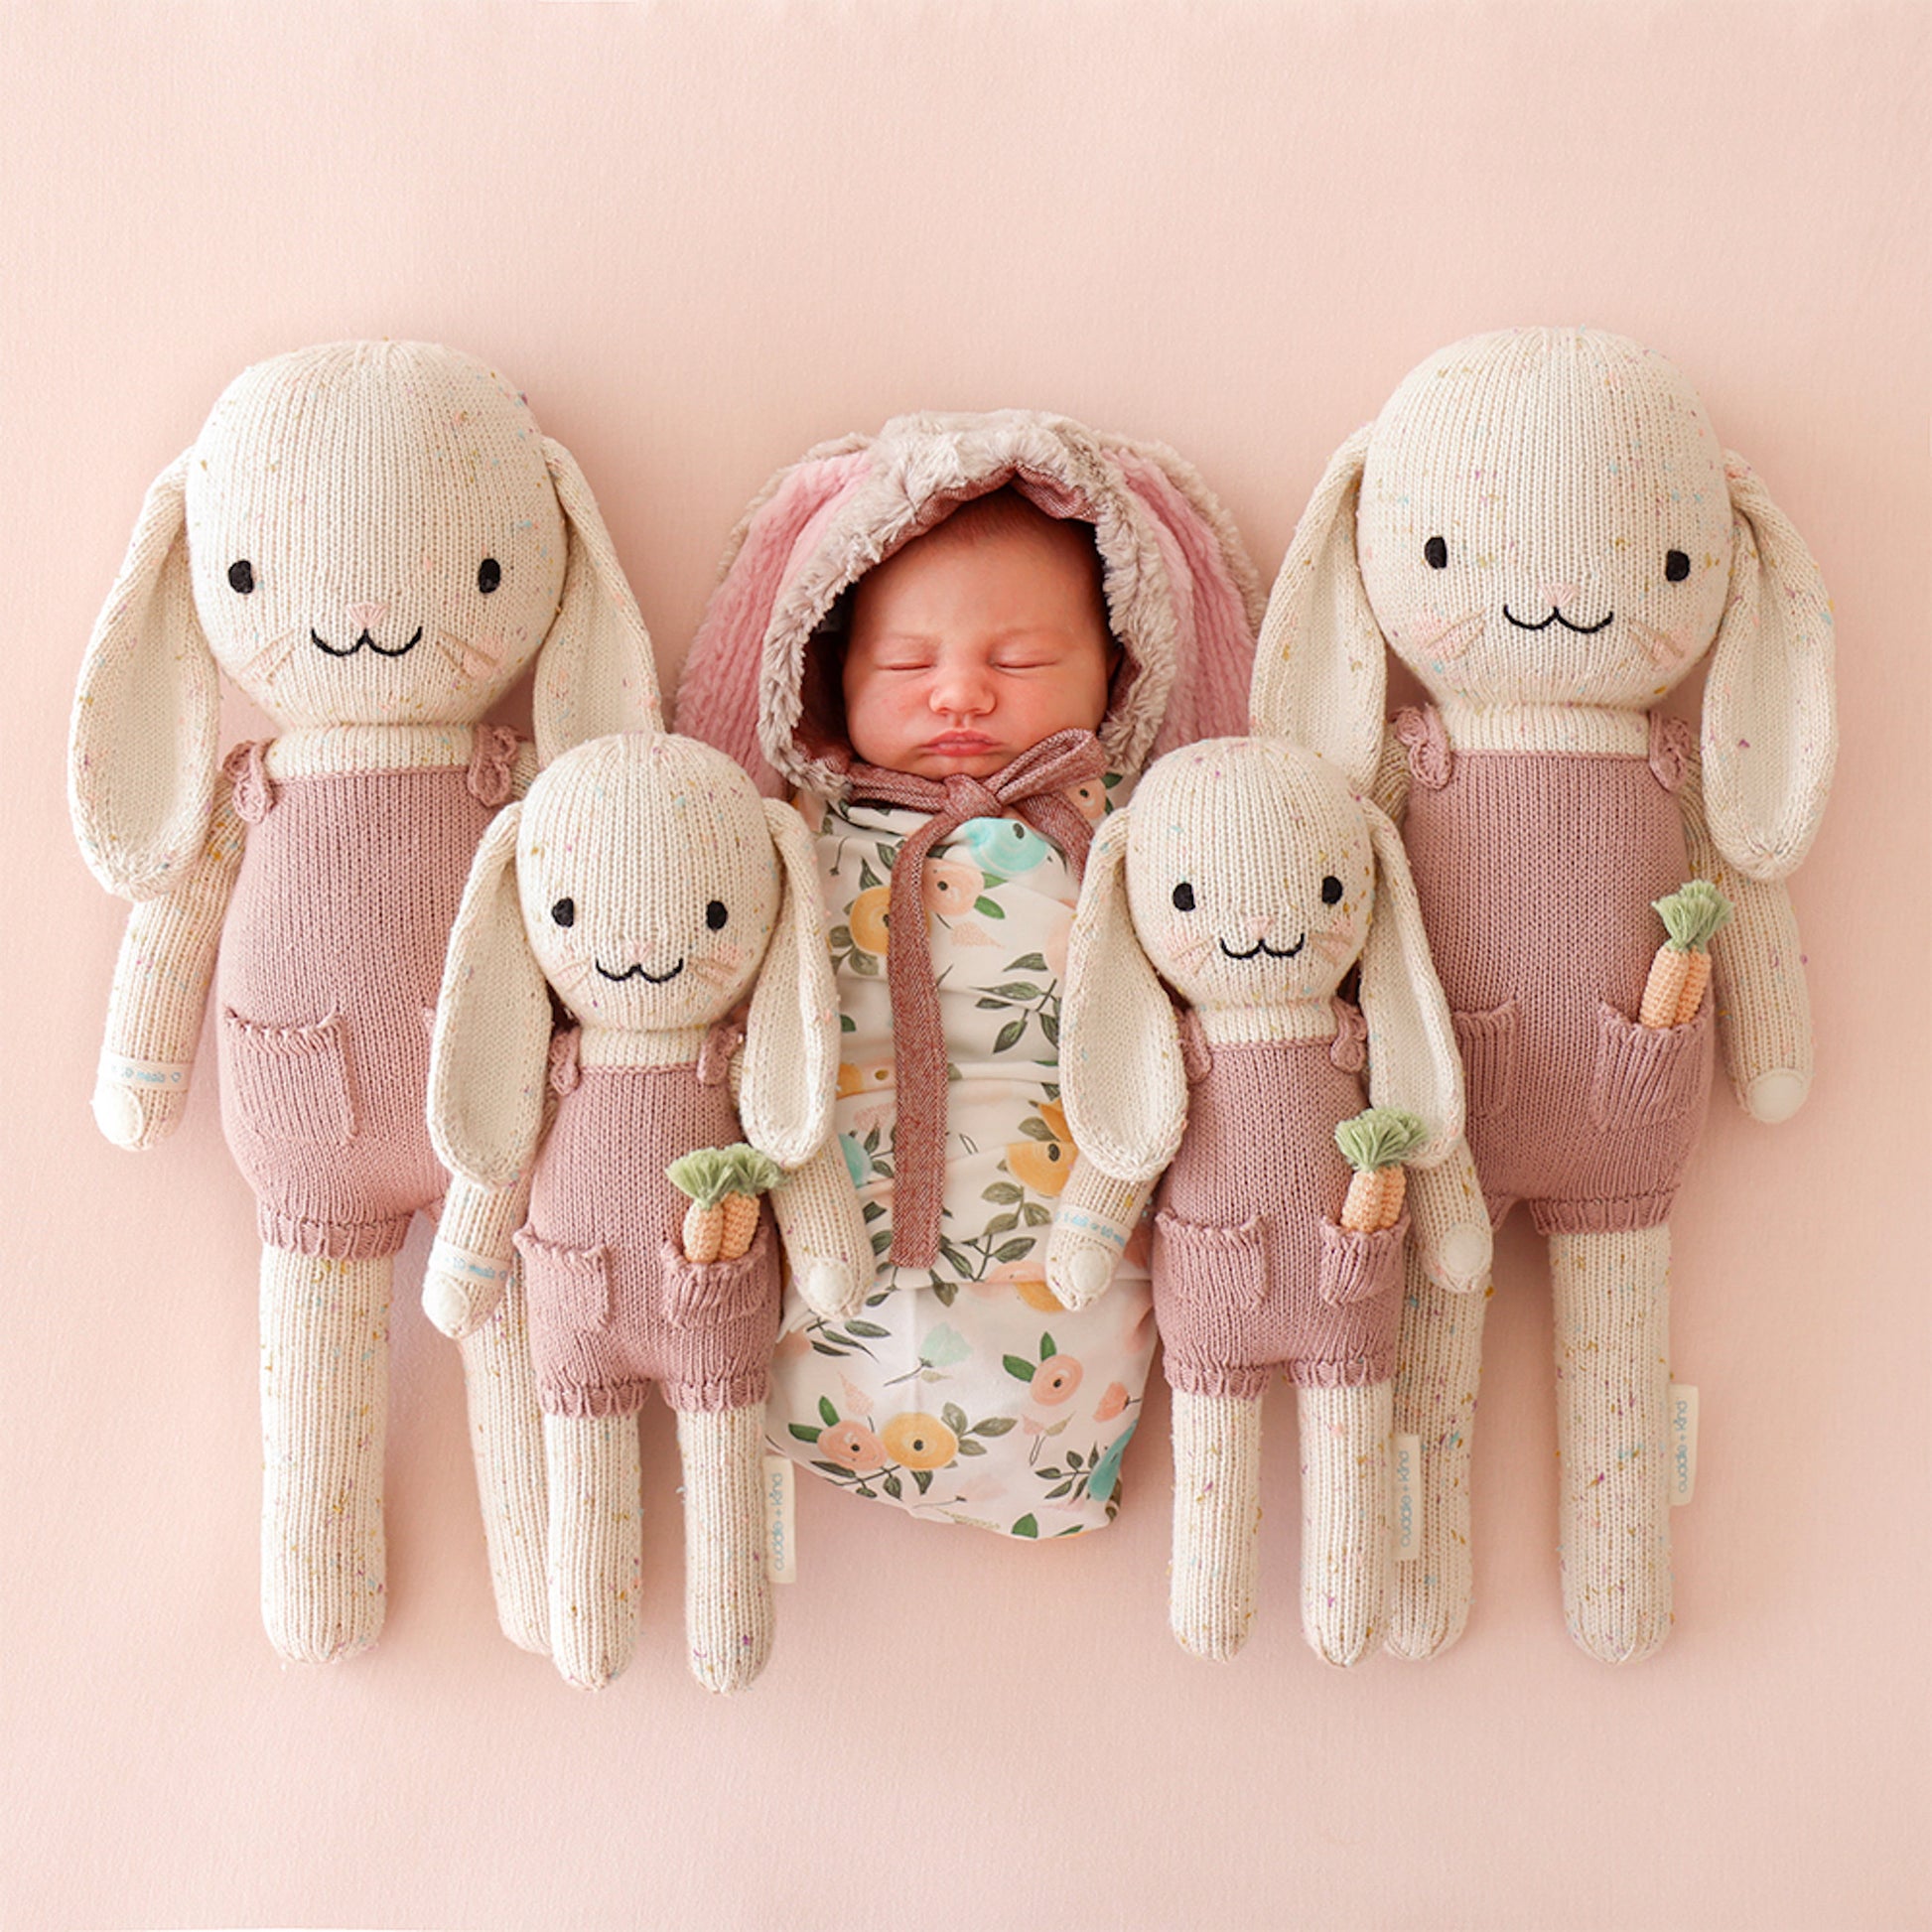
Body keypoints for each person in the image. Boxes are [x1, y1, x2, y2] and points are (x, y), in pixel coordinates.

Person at [675, 411, 1257, 1537]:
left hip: (1067, 1260)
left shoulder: (1129, 844)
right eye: (905, 662)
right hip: (826, 1246)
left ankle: (1063, 1459)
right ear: (826, 672)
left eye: (1019, 660)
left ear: (1115, 669)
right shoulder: (796, 842)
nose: (957, 695)